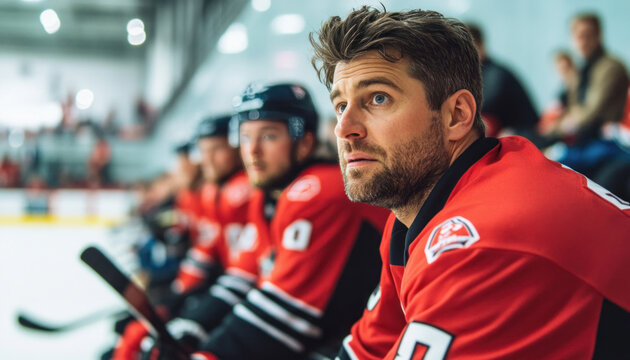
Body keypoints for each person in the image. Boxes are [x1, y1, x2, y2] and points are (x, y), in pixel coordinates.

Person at [309, 6, 630, 359]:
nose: (344, 129)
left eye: (378, 98)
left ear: (456, 115)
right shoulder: (414, 213)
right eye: (340, 106)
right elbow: (367, 347)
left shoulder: (483, 242)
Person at [162, 82, 389, 360]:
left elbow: (284, 314)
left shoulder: (320, 189)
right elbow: (242, 277)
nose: (253, 150)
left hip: (364, 343)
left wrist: (209, 354)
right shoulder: (266, 196)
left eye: (268, 136)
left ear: (305, 143)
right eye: (245, 137)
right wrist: (190, 326)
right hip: (325, 333)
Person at [111, 115, 252, 360]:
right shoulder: (211, 192)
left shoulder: (241, 190)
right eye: (202, 151)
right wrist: (175, 295)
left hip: (240, 292)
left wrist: (178, 298)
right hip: (225, 286)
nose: (203, 159)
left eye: (217, 149)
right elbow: (204, 252)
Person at [541, 13, 629, 177]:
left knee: (555, 159)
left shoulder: (611, 67)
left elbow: (592, 110)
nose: (583, 41)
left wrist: (562, 126)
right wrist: (553, 128)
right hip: (582, 140)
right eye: (578, 36)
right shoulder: (581, 71)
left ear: (598, 36)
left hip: (608, 142)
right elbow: (571, 107)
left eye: (588, 35)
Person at [466, 24, 540, 143]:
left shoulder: (495, 73)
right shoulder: (484, 71)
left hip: (522, 133)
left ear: (478, 46)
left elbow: (483, 107)